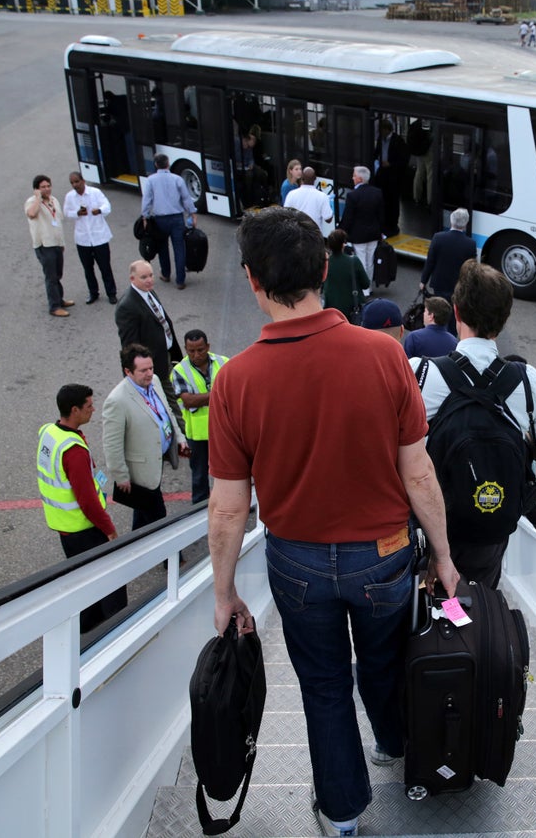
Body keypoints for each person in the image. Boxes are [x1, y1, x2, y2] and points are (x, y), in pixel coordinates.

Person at [206, 206, 460, 838]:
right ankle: (394, 745)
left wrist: (223, 590)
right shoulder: (384, 354)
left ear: (251, 280)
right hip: (384, 551)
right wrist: (446, 556)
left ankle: (343, 816)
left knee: (323, 687)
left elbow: (229, 505)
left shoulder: (234, 381)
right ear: (324, 268)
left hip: (296, 561)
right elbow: (419, 473)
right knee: (383, 661)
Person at [411, 260, 536, 588]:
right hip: (489, 525)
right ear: (503, 320)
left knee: (426, 607)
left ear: (456, 311)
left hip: (431, 521)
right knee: (477, 603)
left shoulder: (420, 373)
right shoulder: (527, 380)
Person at [36, 384, 125, 631]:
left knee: (85, 583)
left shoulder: (49, 433)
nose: (93, 409)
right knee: (111, 584)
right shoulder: (73, 451)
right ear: (74, 410)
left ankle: (85, 631)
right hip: (84, 529)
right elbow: (87, 501)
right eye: (89, 406)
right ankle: (116, 632)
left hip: (65, 528)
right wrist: (109, 529)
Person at [102, 343, 189, 530]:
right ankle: (171, 558)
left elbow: (167, 412)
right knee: (158, 516)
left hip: (157, 459)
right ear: (128, 371)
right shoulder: (117, 401)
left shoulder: (154, 381)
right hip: (141, 471)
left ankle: (134, 547)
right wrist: (120, 475)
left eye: (151, 368)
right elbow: (112, 444)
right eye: (143, 370)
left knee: (143, 513)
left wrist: (180, 438)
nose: (149, 373)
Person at [115, 260, 185, 425]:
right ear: (132, 279)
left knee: (174, 394)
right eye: (144, 277)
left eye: (151, 275)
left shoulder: (148, 292)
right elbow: (129, 346)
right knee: (171, 401)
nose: (149, 280)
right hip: (155, 366)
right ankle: (184, 436)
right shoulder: (127, 306)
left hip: (166, 357)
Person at [170, 330, 229, 504]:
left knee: (229, 472)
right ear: (186, 349)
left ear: (208, 347)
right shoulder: (179, 371)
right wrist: (220, 394)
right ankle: (199, 510)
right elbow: (188, 401)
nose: (196, 355)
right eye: (191, 351)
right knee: (199, 475)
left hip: (223, 430)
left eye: (200, 350)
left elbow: (235, 391)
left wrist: (202, 398)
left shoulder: (223, 362)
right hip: (198, 435)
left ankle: (232, 502)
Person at [139, 153, 197, 290]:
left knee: (162, 247)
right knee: (179, 248)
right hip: (177, 218)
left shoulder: (151, 180)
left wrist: (145, 216)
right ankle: (180, 280)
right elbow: (186, 198)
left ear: (155, 165)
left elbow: (147, 200)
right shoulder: (177, 179)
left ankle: (165, 274)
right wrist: (192, 213)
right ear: (168, 164)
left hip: (160, 220)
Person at [64, 171, 118, 305]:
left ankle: (111, 293)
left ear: (83, 181)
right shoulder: (70, 197)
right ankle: (93, 293)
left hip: (99, 237)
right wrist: (77, 213)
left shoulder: (95, 192)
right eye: (72, 183)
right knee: (88, 268)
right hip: (83, 239)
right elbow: (66, 212)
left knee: (105, 267)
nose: (75, 185)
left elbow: (107, 206)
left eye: (76, 181)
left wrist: (99, 210)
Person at [25, 174, 74, 318]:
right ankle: (54, 306)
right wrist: (38, 199)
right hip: (44, 245)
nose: (47, 189)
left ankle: (60, 299)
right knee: (51, 276)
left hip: (56, 243)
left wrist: (62, 243)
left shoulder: (54, 200)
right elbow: (32, 214)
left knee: (58, 274)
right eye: (43, 187)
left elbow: (58, 222)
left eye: (48, 186)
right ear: (36, 189)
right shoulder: (32, 202)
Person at [338, 166, 386, 283]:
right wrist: (381, 232)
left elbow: (348, 218)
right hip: (374, 234)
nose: (352, 178)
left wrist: (341, 232)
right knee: (370, 262)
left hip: (358, 235)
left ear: (359, 179)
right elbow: (381, 215)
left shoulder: (352, 196)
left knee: (361, 261)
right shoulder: (377, 192)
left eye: (354, 175)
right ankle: (368, 287)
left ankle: (363, 289)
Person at [420, 208, 477, 300]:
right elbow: (471, 269)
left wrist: (423, 281)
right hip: (457, 286)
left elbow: (430, 261)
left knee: (440, 309)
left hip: (439, 283)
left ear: (451, 221)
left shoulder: (438, 237)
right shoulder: (471, 244)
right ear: (466, 224)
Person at [323, 228, 370, 321]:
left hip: (332, 310)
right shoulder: (353, 261)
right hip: (352, 308)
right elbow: (366, 284)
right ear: (342, 244)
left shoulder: (325, 263)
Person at [371, 120, 408, 236]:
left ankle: (392, 224)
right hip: (382, 174)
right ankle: (384, 222)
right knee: (383, 198)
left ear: (387, 129)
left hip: (393, 175)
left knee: (393, 200)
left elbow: (404, 158)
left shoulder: (398, 141)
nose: (380, 132)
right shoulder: (380, 141)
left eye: (381, 130)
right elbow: (376, 153)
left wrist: (391, 164)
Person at [284, 165, 334, 238]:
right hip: (315, 238)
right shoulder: (322, 196)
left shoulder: (291, 194)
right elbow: (328, 219)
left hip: (297, 236)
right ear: (315, 179)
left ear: (302, 178)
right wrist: (330, 206)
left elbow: (285, 215)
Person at [407, 119, 433, 206]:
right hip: (427, 151)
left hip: (419, 152)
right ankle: (430, 200)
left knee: (419, 173)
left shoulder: (416, 123)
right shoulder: (428, 122)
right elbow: (429, 137)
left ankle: (416, 197)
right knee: (430, 175)